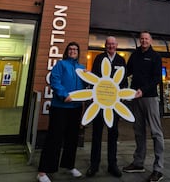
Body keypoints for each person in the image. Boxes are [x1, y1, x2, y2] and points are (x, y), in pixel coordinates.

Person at [37, 42, 85, 182]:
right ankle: (42, 172)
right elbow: (55, 81)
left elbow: (86, 86)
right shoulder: (60, 64)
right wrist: (64, 95)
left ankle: (69, 165)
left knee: (72, 138)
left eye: (75, 49)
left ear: (78, 52)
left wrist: (89, 78)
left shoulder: (81, 68)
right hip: (60, 108)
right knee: (54, 138)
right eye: (70, 49)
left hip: (76, 108)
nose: (73, 51)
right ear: (66, 51)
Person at [123, 31, 164, 182]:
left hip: (150, 98)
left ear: (151, 40)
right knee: (138, 131)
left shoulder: (156, 57)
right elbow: (126, 72)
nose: (144, 41)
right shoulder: (135, 55)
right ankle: (138, 163)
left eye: (146, 38)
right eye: (142, 39)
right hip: (135, 97)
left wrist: (143, 90)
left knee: (156, 133)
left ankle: (158, 169)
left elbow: (157, 79)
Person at [86, 36, 127, 178]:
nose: (111, 46)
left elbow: (124, 82)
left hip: (114, 105)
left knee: (113, 134)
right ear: (105, 45)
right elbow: (94, 79)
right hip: (99, 104)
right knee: (96, 133)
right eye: (108, 44)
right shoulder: (98, 59)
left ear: (116, 45)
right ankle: (94, 165)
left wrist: (121, 97)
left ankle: (112, 165)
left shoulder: (121, 61)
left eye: (113, 44)